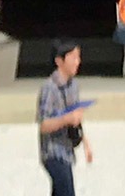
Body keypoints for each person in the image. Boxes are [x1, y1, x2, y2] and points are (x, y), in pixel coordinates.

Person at [35, 40, 93, 196]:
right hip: (52, 152)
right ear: (59, 61)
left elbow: (76, 116)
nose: (78, 62)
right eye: (73, 57)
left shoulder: (73, 85)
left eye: (78, 57)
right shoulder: (49, 88)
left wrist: (85, 143)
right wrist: (66, 119)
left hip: (67, 150)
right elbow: (44, 124)